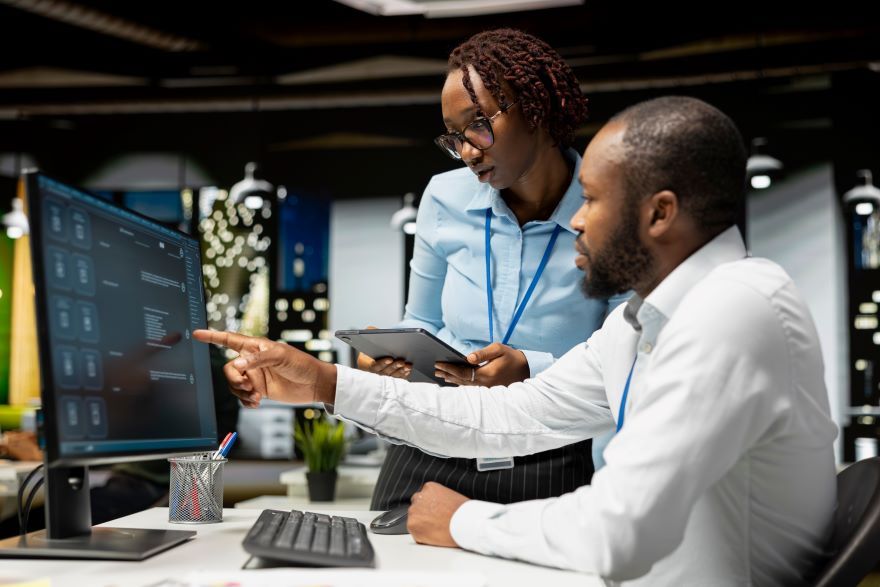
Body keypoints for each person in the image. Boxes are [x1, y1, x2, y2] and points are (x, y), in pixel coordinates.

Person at [195, 96, 837, 585]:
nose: (577, 221)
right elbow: (510, 415)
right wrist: (323, 382)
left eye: (592, 200)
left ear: (659, 213)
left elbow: (621, 530)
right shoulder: (643, 321)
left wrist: (461, 520)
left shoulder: (733, 307)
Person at [358, 28, 625, 510]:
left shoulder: (606, 209)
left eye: (479, 125)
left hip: (549, 446)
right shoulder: (444, 196)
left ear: (537, 109)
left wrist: (531, 368)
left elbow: (628, 360)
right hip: (433, 435)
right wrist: (387, 354)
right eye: (454, 137)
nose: (467, 152)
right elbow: (422, 320)